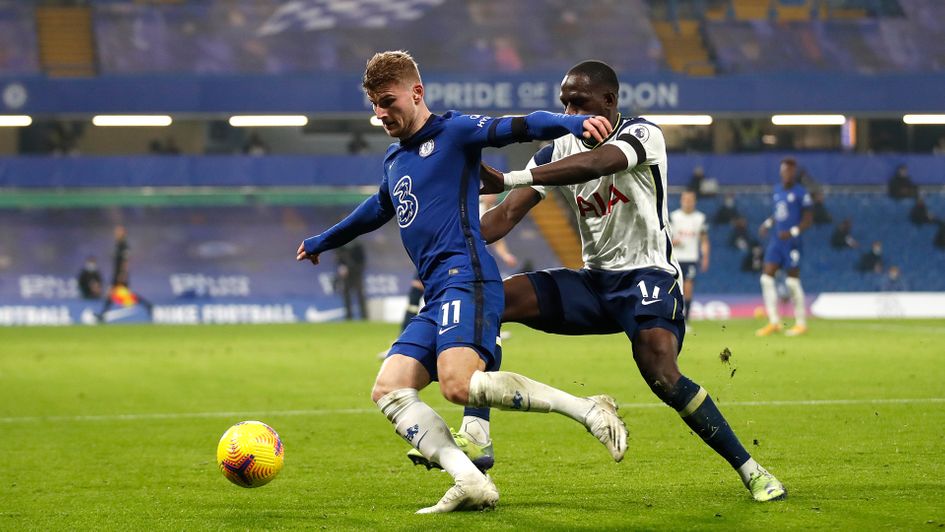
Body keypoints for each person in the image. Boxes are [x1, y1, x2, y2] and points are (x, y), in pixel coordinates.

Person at [295, 51, 627, 514]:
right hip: (436, 293)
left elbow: (520, 125)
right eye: (373, 105)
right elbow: (376, 209)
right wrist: (323, 240)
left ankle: (589, 409)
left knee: (458, 385)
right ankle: (470, 480)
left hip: (467, 278)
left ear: (417, 92)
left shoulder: (454, 132)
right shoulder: (395, 160)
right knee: (389, 389)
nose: (380, 114)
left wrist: (570, 125)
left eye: (388, 101)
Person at [472, 60, 784, 502]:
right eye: (564, 103)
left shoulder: (642, 134)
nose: (570, 111)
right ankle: (476, 432)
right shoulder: (558, 147)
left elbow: (596, 164)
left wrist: (509, 176)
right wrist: (445, 233)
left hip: (648, 277)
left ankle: (752, 470)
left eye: (579, 102)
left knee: (660, 370)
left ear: (609, 101)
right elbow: (503, 216)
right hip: (595, 283)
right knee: (490, 301)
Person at [756, 157, 813, 337]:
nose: (787, 174)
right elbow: (777, 213)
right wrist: (767, 223)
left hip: (792, 242)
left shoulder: (801, 193)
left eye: (790, 171)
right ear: (781, 172)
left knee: (792, 282)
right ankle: (774, 322)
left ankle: (801, 323)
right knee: (766, 278)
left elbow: (809, 219)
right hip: (777, 241)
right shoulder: (777, 190)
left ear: (794, 173)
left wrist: (793, 232)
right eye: (784, 170)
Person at [97, 226, 153, 322]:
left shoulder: (124, 245)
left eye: (118, 232)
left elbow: (125, 261)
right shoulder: (117, 245)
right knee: (115, 295)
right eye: (116, 232)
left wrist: (123, 274)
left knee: (118, 295)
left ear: (123, 233)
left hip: (120, 275)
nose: (116, 234)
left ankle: (102, 315)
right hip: (116, 273)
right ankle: (148, 305)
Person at [670, 190, 709, 323]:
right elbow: (664, 238)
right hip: (674, 258)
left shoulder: (700, 218)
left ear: (694, 202)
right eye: (685, 200)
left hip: (690, 258)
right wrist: (672, 242)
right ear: (681, 201)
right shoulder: (673, 217)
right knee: (673, 288)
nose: (688, 203)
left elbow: (704, 239)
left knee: (688, 288)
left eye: (690, 200)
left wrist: (705, 257)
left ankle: (685, 320)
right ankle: (672, 315)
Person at [335, 242, 367, 320]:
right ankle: (348, 317)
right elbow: (338, 258)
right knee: (347, 295)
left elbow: (362, 259)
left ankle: (364, 317)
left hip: (356, 273)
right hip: (346, 274)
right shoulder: (341, 246)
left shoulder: (357, 245)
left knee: (360, 295)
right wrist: (341, 267)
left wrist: (358, 268)